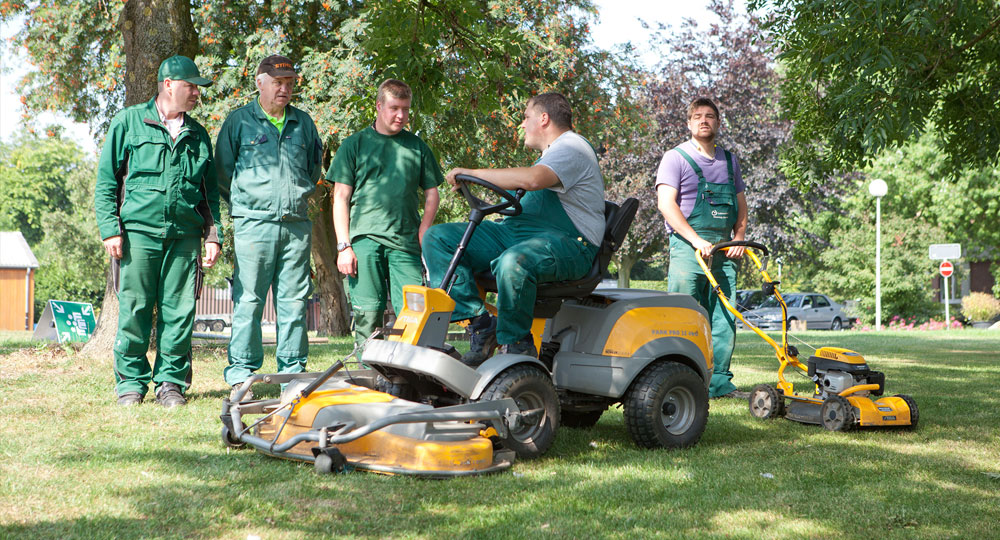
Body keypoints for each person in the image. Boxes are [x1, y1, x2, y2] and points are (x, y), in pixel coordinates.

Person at [422, 92, 604, 366]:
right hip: (519, 234)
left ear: (544, 119)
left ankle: (517, 345)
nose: (521, 125)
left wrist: (474, 172)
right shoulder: (550, 154)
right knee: (439, 238)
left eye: (525, 117)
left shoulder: (572, 147)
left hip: (569, 243)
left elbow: (532, 180)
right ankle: (481, 324)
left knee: (513, 262)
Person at [94, 55, 222, 407]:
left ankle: (171, 384)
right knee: (135, 308)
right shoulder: (128, 123)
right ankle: (131, 384)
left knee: (179, 312)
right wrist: (110, 229)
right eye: (190, 86)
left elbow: (210, 193)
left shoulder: (198, 135)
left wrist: (213, 236)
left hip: (184, 237)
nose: (196, 93)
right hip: (138, 236)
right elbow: (106, 182)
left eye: (197, 88)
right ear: (169, 85)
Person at [215, 55, 323, 397]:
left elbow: (313, 168)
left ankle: (292, 375)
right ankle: (241, 375)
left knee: (294, 301)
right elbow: (222, 173)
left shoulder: (303, 123)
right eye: (278, 83)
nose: (285, 89)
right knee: (248, 300)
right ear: (259, 82)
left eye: (290, 83)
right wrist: (248, 206)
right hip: (253, 225)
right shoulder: (239, 122)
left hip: (296, 226)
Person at [329, 79, 442, 346]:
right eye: (394, 108)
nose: (401, 115)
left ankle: (408, 375)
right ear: (379, 106)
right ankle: (367, 372)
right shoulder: (354, 145)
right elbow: (341, 198)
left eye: (405, 109)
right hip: (364, 241)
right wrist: (344, 246)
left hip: (405, 244)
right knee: (368, 312)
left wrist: (424, 230)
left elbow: (432, 194)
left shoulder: (417, 147)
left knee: (413, 312)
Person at [655, 97, 749, 399]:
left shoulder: (729, 160)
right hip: (687, 250)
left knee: (724, 316)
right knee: (684, 315)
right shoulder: (675, 158)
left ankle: (719, 382)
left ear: (718, 123)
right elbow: (666, 204)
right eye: (697, 116)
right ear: (688, 123)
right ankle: (681, 380)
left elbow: (742, 207)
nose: (703, 121)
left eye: (710, 116)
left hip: (724, 252)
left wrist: (739, 237)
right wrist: (696, 240)